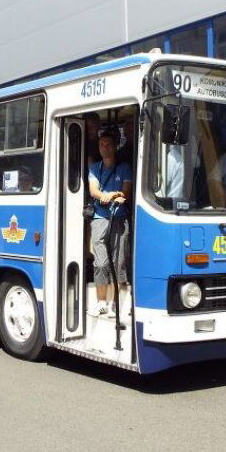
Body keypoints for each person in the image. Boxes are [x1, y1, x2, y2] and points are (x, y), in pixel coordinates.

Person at [87, 129, 132, 318]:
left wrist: (113, 195)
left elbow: (126, 193)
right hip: (100, 219)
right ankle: (100, 303)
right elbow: (93, 190)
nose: (104, 148)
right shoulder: (94, 168)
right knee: (100, 263)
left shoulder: (125, 168)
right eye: (101, 144)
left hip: (119, 218)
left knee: (119, 262)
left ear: (115, 147)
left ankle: (117, 304)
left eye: (108, 144)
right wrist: (110, 195)